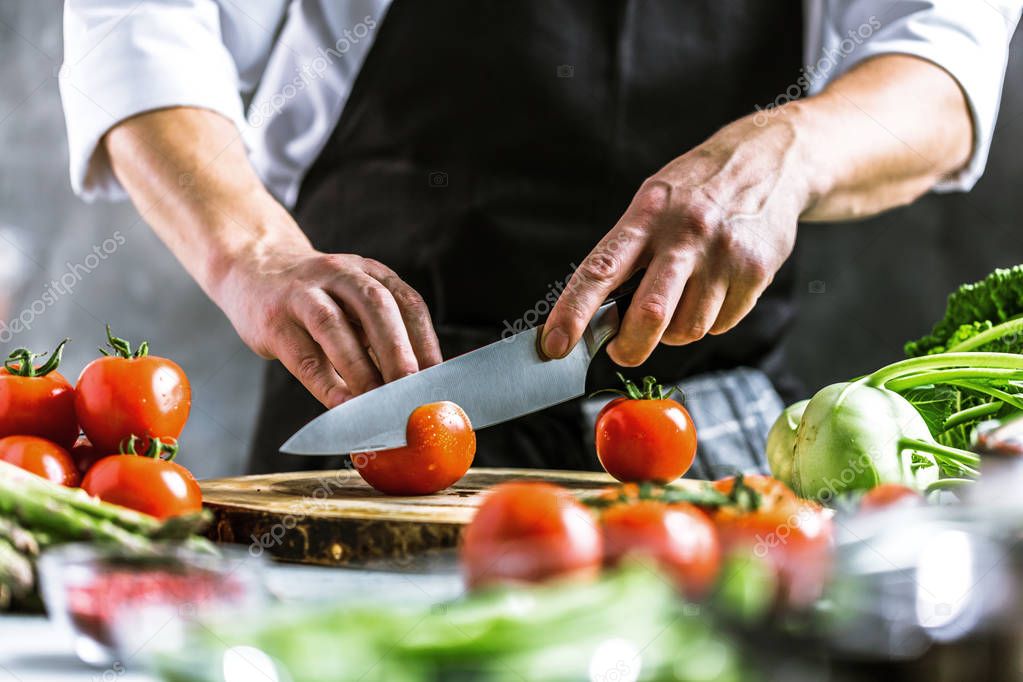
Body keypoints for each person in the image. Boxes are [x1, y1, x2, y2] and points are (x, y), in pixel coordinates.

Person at [60, 1, 1021, 476]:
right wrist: (249, 253)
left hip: (697, 448)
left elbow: (940, 60)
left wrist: (788, 145)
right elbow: (142, 18)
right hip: (371, 433)